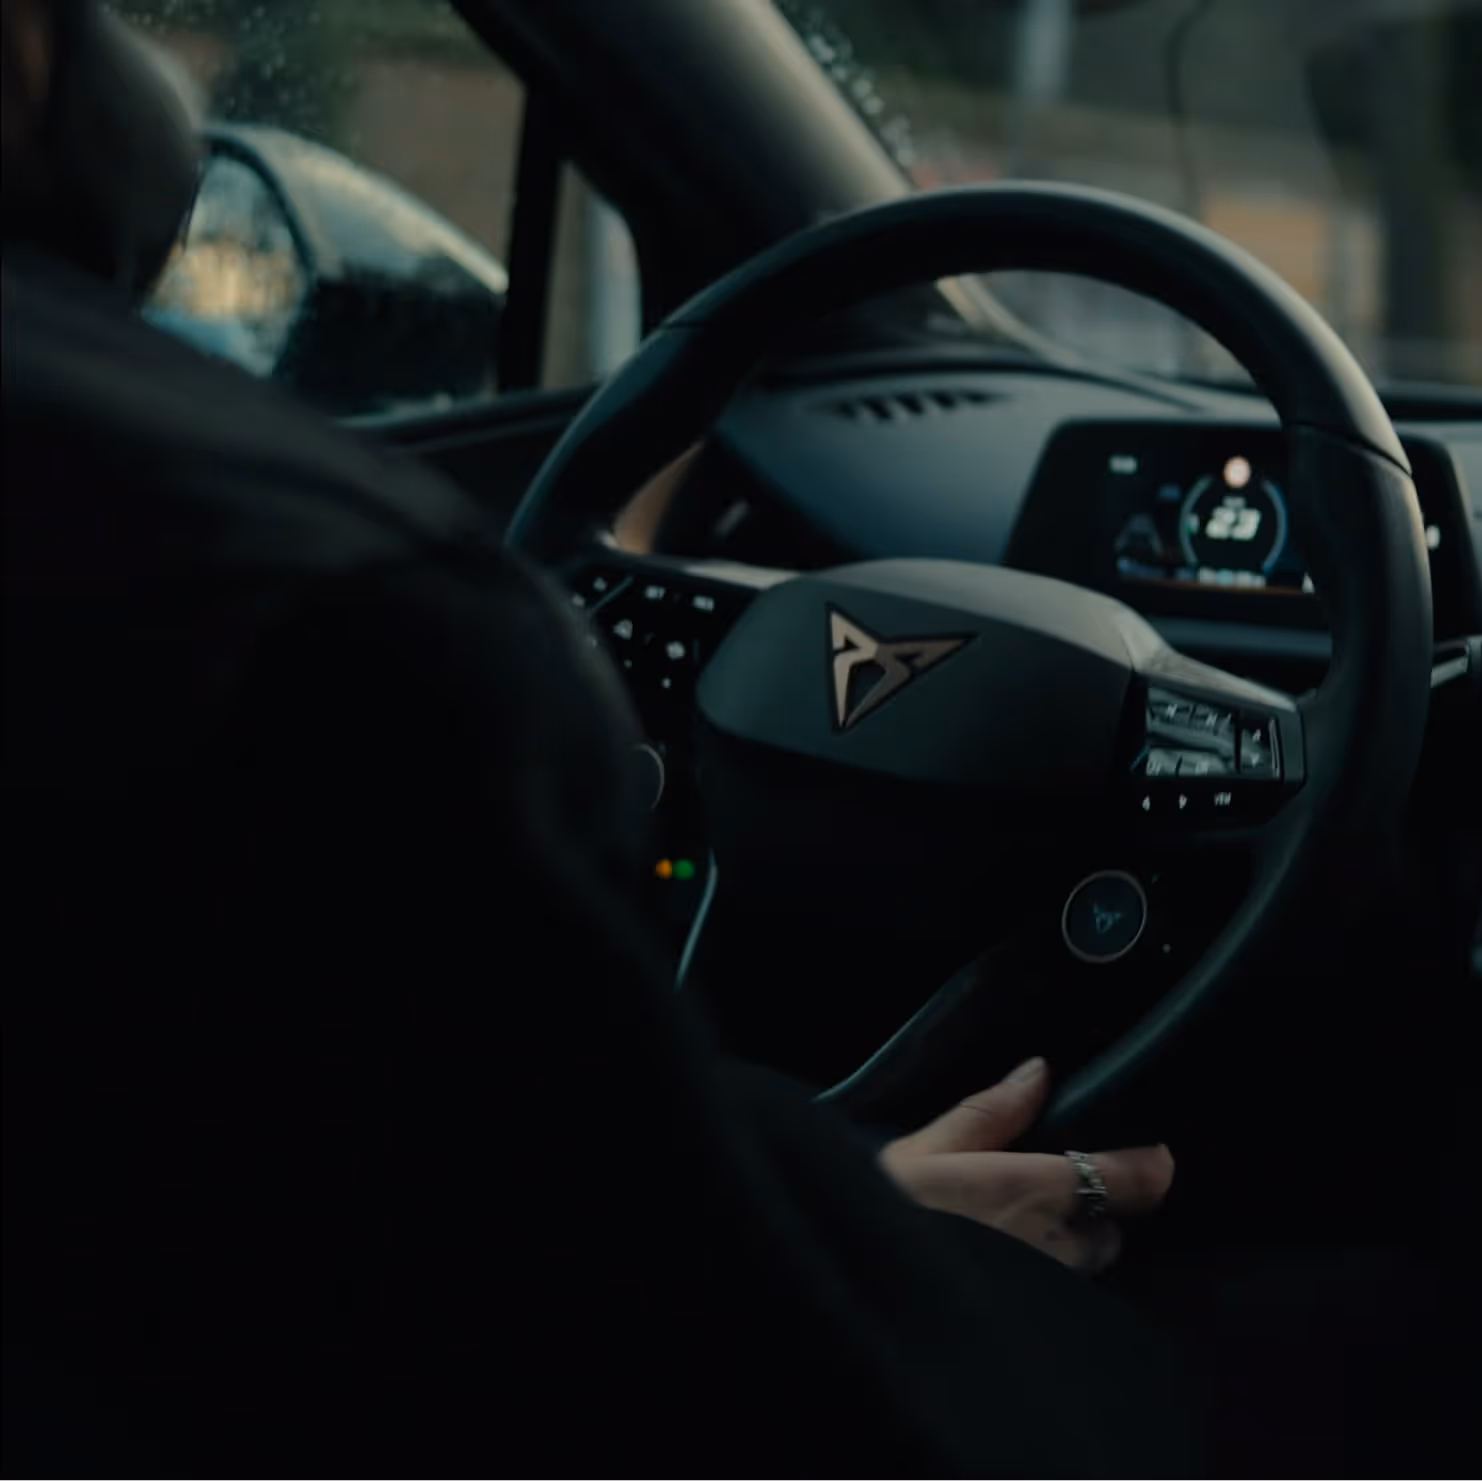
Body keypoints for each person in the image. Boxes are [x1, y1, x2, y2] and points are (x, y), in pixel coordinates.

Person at [3, 1, 1195, 1473]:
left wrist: (803, 1206)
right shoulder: (331, 634)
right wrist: (892, 1262)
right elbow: (620, 1380)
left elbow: (421, 1215)